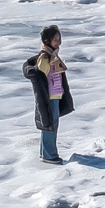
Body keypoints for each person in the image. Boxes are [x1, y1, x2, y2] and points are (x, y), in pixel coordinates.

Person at [23, 24, 73, 163]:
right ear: (47, 41)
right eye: (55, 39)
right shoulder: (45, 57)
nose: (58, 42)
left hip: (55, 94)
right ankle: (49, 155)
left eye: (59, 39)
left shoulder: (52, 54)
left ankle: (44, 152)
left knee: (52, 125)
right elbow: (41, 78)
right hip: (50, 96)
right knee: (50, 125)